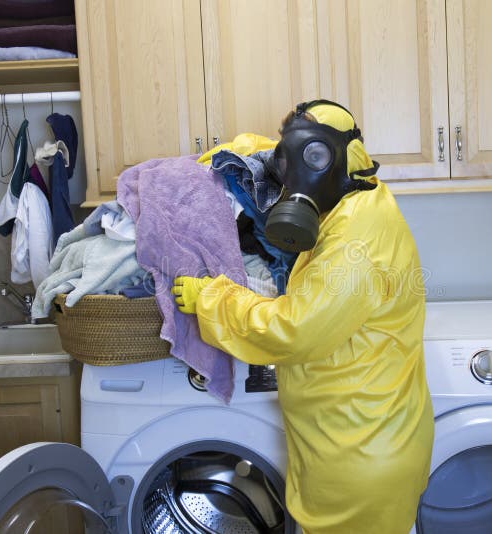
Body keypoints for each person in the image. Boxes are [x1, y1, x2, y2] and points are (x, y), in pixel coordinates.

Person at [172, 100, 433, 534]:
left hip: (362, 460)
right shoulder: (357, 197)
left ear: (336, 158)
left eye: (310, 156)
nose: (296, 175)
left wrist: (211, 300)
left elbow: (293, 330)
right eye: (288, 157)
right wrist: (237, 155)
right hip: (355, 439)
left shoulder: (356, 246)